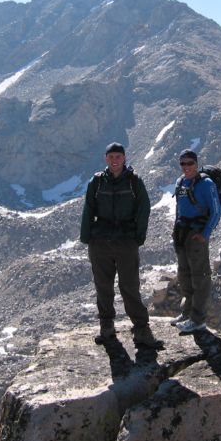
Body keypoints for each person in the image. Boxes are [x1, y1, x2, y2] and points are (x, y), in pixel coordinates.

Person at [80, 142, 162, 349]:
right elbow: (88, 209)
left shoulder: (134, 182)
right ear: (105, 159)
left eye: (118, 156)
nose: (114, 160)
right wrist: (86, 237)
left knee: (130, 287)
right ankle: (106, 328)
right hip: (100, 242)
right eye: (111, 157)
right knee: (103, 287)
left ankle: (142, 329)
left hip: (126, 242)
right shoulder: (97, 182)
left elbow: (144, 209)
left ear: (124, 158)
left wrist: (138, 238)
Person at [171, 149, 221, 334]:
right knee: (184, 274)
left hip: (196, 235)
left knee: (200, 277)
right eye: (183, 164)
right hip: (181, 233)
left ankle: (198, 320)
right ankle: (187, 313)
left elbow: (216, 211)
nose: (186, 167)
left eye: (190, 163)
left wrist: (205, 234)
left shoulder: (206, 183)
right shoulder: (181, 182)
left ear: (197, 163)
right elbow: (179, 207)